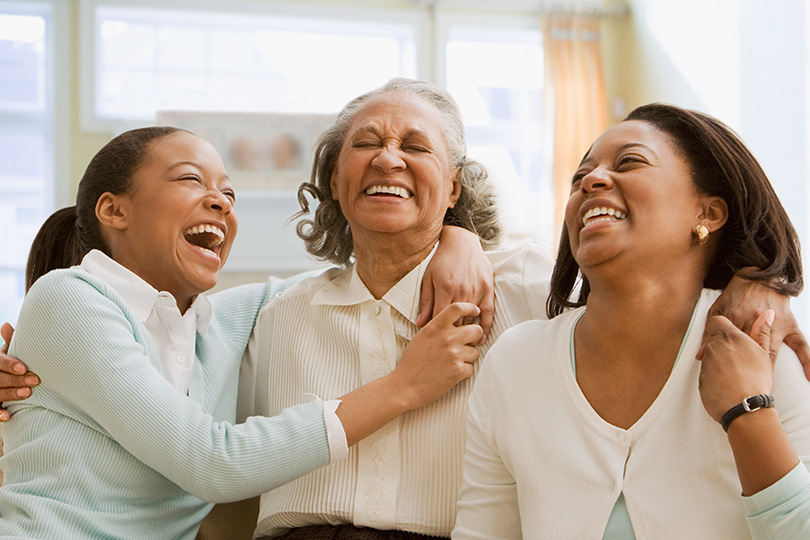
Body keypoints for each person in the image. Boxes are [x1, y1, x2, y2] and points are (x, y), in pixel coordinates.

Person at [236, 80, 809, 540]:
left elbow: (645, 290)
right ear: (333, 182)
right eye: (366, 144)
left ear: (455, 188)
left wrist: (767, 284)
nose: (388, 159)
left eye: (414, 146)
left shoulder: (521, 285)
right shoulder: (275, 311)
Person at [0, 125, 490, 540]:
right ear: (114, 210)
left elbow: (370, 268)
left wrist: (457, 236)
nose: (219, 200)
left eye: (229, 193)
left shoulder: (216, 321)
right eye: (191, 180)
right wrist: (404, 386)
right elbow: (212, 462)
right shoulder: (69, 297)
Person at [452, 103, 810, 539]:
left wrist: (748, 411)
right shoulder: (514, 362)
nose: (592, 181)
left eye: (630, 162)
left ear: (708, 214)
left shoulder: (764, 356)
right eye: (580, 177)